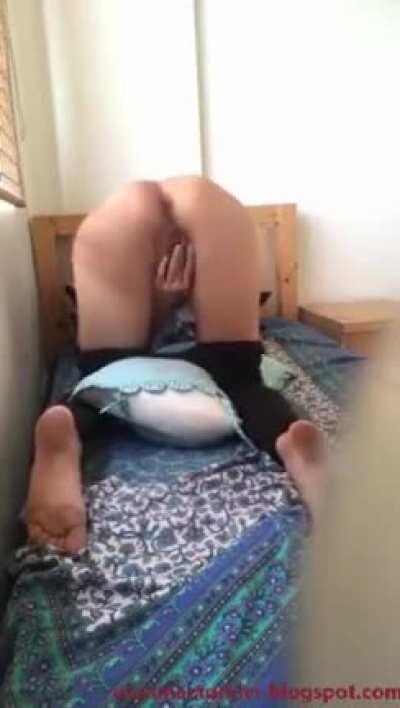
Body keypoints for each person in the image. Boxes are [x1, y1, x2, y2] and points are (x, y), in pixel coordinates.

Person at [25, 176, 326, 554]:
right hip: (208, 206)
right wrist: (170, 304)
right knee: (242, 381)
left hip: (121, 218)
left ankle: (68, 426)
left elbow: (129, 356)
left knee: (102, 383)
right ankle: (290, 440)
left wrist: (164, 307)